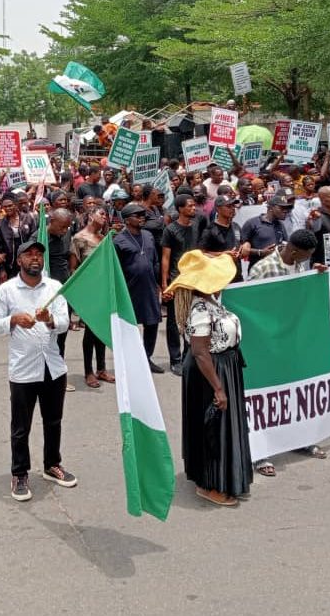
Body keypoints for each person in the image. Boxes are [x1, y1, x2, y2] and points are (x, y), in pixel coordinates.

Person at [0, 239, 76, 502]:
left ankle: (51, 464)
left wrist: (50, 321)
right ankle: (20, 473)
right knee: (20, 427)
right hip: (23, 370)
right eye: (29, 255)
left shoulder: (55, 288)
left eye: (39, 254)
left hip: (53, 368)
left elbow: (64, 323)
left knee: (53, 421)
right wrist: (12, 320)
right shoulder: (7, 290)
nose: (35, 258)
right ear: (19, 261)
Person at [169, 251, 250, 506]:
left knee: (224, 426)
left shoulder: (212, 300)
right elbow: (201, 352)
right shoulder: (200, 309)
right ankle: (210, 483)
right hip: (210, 373)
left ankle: (226, 476)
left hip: (224, 367)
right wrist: (218, 388)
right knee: (213, 429)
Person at [247, 229, 328, 475]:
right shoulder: (262, 270)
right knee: (266, 399)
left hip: (293, 343)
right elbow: (251, 307)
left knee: (296, 393)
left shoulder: (301, 267)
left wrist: (317, 277)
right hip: (269, 345)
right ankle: (261, 454)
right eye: (306, 255)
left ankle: (299, 439)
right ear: (293, 251)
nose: (307, 258)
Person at [113, 203, 164, 373]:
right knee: (130, 327)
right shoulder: (119, 240)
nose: (142, 217)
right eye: (137, 215)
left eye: (143, 214)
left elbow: (155, 259)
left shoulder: (148, 235)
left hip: (149, 288)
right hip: (130, 290)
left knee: (152, 324)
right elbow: (116, 268)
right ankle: (131, 360)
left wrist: (158, 282)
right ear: (127, 220)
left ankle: (146, 358)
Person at [161, 194, 208, 374]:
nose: (193, 208)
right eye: (189, 206)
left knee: (193, 319)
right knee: (174, 322)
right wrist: (165, 284)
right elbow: (165, 258)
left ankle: (189, 355)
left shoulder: (197, 225)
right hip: (177, 281)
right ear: (180, 209)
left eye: (194, 205)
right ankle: (175, 359)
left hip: (195, 280)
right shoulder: (170, 230)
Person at [70, 205, 112, 388]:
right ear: (90, 216)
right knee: (90, 331)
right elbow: (73, 269)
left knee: (101, 330)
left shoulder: (104, 239)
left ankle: (101, 369)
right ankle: (88, 371)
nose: (105, 217)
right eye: (101, 213)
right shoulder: (78, 239)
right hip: (88, 291)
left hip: (103, 290)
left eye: (106, 214)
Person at [46, 208, 75, 388]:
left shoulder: (66, 235)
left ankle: (58, 376)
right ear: (52, 221)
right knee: (46, 338)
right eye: (62, 227)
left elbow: (68, 257)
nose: (64, 231)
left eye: (67, 227)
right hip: (47, 295)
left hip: (64, 292)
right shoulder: (39, 238)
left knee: (61, 335)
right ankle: (46, 376)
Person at [241, 188, 293, 270]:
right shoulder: (252, 223)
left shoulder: (281, 225)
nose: (285, 211)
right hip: (258, 271)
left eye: (287, 208)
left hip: (277, 271)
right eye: (282, 208)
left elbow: (285, 246)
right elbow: (241, 250)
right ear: (271, 208)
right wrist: (260, 252)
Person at [0, 196, 34, 281]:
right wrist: (2, 270)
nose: (8, 208)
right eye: (5, 207)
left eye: (10, 205)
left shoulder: (28, 218)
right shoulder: (0, 225)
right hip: (10, 263)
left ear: (16, 205)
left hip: (27, 259)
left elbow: (34, 238)